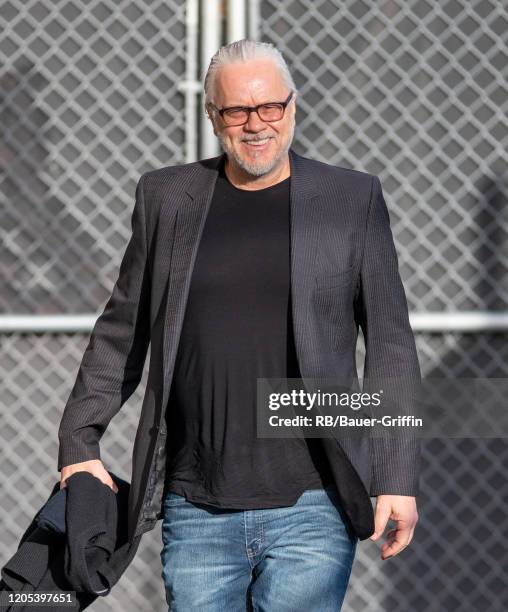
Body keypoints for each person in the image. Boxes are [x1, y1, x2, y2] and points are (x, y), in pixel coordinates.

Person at [58, 38, 420, 611]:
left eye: (269, 107)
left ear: (292, 106)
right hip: (196, 502)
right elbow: (121, 328)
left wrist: (396, 475)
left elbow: (391, 343)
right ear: (212, 116)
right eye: (237, 111)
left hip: (313, 503)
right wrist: (79, 440)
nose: (256, 124)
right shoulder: (166, 197)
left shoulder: (350, 198)